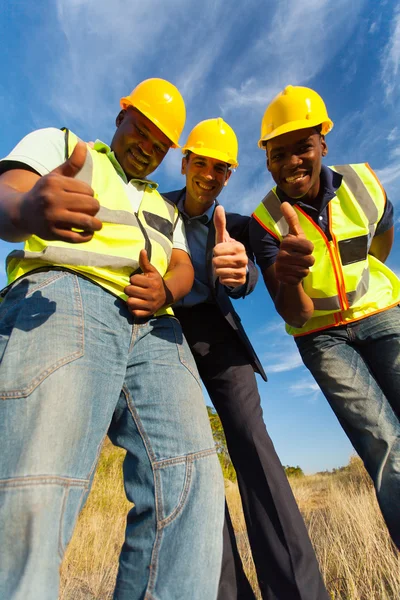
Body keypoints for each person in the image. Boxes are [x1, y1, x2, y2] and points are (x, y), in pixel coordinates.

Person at [0, 78, 225, 600]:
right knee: (39, 481)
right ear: (121, 115)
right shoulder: (63, 145)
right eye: (140, 129)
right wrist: (28, 209)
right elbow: (7, 192)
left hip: (157, 333)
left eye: (159, 143)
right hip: (64, 297)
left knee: (192, 486)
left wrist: (166, 287)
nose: (146, 146)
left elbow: (184, 266)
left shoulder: (164, 207)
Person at [159, 118, 329, 600]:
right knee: (193, 465)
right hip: (162, 338)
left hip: (219, 339)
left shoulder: (234, 226)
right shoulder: (151, 208)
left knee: (255, 449)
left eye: (222, 168)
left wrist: (239, 275)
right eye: (203, 163)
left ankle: (298, 592)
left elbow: (250, 273)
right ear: (186, 162)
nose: (210, 175)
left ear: (230, 176)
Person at [250, 85, 400, 550]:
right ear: (268, 161)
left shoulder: (364, 184)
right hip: (320, 336)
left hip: (380, 311)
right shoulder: (264, 221)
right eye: (280, 154)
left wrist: (362, 284)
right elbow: (292, 310)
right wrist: (290, 276)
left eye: (303, 147)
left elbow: (382, 239)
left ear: (323, 144)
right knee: (383, 441)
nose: (294, 162)